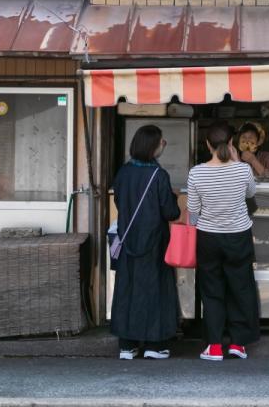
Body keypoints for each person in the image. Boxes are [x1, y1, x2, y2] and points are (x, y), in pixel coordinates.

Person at [187, 121, 261, 361]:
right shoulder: (243, 170)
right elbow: (250, 195)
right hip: (239, 236)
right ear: (231, 144)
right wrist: (238, 161)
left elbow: (193, 211)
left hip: (208, 237)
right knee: (240, 287)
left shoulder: (196, 172)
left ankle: (215, 345)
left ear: (207, 145)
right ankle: (238, 344)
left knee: (212, 291)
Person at [110, 124, 181, 360]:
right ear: (153, 146)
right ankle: (155, 344)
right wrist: (174, 197)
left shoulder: (123, 173)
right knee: (155, 291)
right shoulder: (158, 176)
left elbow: (120, 204)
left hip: (128, 239)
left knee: (128, 289)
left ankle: (127, 345)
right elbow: (171, 213)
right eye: (161, 141)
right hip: (154, 243)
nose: (164, 144)